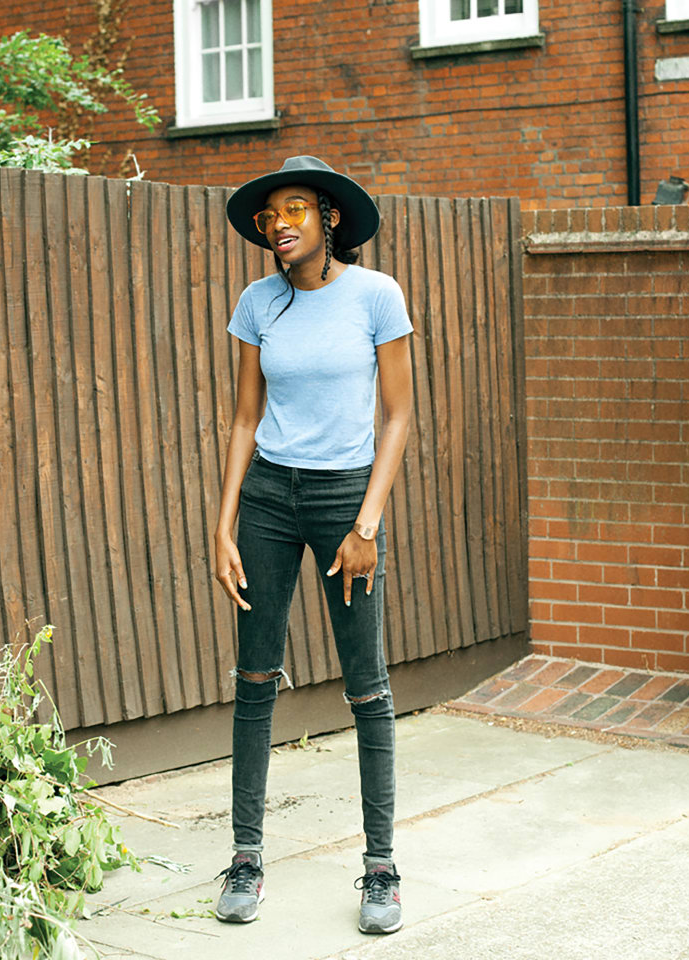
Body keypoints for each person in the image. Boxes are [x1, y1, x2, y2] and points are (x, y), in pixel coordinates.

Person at [211, 156, 415, 934]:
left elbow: (396, 416)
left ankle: (381, 869)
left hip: (344, 500)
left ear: (329, 218)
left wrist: (366, 524)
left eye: (296, 208)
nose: (280, 223)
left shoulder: (377, 296)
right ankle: (245, 855)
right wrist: (224, 522)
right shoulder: (256, 302)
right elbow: (242, 419)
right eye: (270, 216)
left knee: (366, 683)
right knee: (254, 676)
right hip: (267, 496)